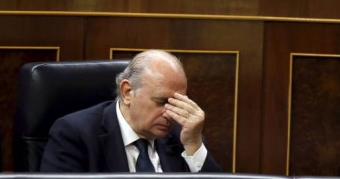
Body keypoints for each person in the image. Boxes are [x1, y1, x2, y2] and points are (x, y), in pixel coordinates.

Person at [40, 49, 221, 172]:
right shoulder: (76, 134)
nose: (170, 114)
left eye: (177, 103)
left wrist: (194, 145)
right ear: (127, 92)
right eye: (161, 101)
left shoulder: (183, 136)